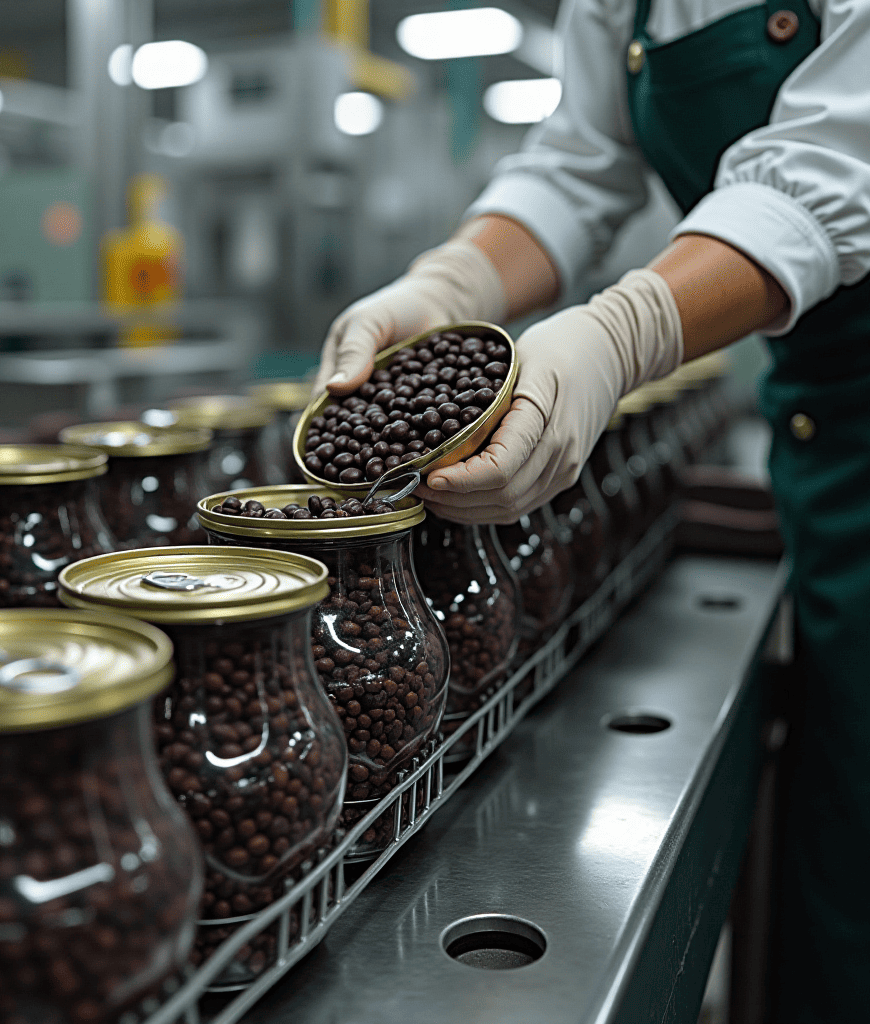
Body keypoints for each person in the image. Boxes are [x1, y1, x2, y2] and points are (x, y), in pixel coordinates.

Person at [314, 0, 870, 1019]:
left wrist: (627, 331)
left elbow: (842, 155)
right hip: (825, 441)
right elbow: (579, 160)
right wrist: (452, 281)